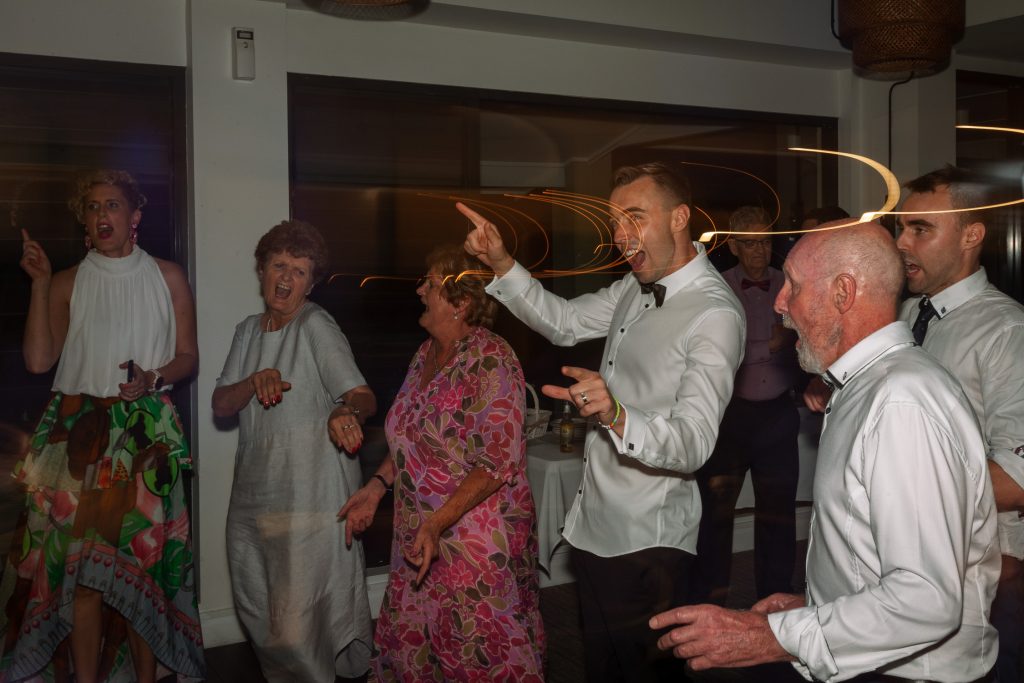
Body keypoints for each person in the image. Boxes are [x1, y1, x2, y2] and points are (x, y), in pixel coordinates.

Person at [650, 221, 1000, 683]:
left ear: (843, 292)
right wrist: (820, 606)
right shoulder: (867, 385)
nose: (780, 303)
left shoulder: (901, 401)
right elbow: (871, 552)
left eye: (792, 284)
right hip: (875, 660)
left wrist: (777, 636)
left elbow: (926, 601)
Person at [461, 161, 746, 682]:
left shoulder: (715, 313)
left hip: (648, 543)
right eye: (615, 221)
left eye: (634, 217)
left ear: (680, 217)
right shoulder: (634, 287)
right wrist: (503, 263)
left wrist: (616, 413)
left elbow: (694, 442)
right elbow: (564, 323)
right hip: (593, 527)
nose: (619, 235)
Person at [2, 169, 204, 682]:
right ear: (84, 223)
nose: (101, 215)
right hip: (78, 437)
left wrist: (155, 377)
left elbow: (187, 358)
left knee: (141, 574)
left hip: (144, 436)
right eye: (91, 208)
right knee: (83, 581)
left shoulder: (168, 275)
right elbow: (37, 360)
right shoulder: (68, 280)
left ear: (134, 216)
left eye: (112, 205)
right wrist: (42, 284)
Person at [339, 245, 544, 681]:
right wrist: (376, 488)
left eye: (429, 284)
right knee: (419, 651)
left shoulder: (491, 358)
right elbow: (409, 438)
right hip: (421, 537)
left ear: (461, 301)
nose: (418, 290)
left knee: (478, 655)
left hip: (476, 541)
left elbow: (497, 462)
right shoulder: (424, 356)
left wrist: (436, 523)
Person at [211, 220, 377, 682]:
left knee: (299, 626)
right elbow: (221, 404)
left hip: (310, 498)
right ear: (261, 268)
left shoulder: (316, 325)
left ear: (312, 282)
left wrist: (344, 411)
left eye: (300, 271)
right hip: (254, 495)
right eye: (279, 265)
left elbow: (363, 395)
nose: (287, 278)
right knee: (259, 608)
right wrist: (251, 382)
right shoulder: (247, 331)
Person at [895, 165, 1024, 683]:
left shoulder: (1006, 332)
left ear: (972, 235)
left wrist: (901, 494)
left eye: (920, 229)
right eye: (900, 227)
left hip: (991, 568)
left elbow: (1016, 479)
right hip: (918, 560)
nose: (902, 242)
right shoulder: (905, 315)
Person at [693, 206, 800, 605]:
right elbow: (719, 354)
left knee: (779, 514)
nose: (759, 251)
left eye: (766, 241)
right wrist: (769, 344)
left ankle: (775, 602)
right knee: (715, 515)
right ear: (734, 246)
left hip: (778, 415)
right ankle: (709, 601)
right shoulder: (715, 290)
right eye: (751, 243)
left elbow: (805, 339)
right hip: (729, 418)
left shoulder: (790, 286)